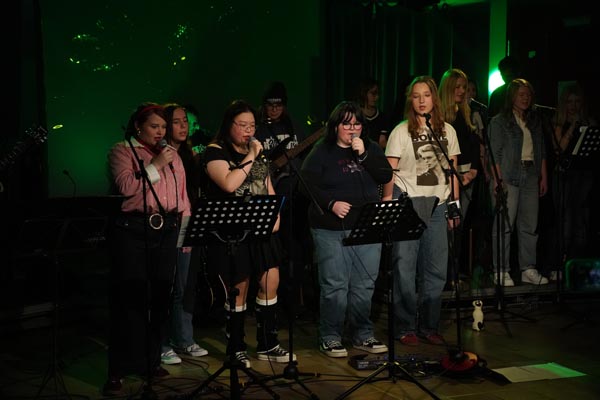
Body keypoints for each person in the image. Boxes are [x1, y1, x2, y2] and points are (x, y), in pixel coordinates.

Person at [103, 102, 191, 395]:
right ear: (138, 127)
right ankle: (117, 369)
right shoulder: (123, 151)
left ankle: (150, 362)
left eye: (164, 127)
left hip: (167, 231)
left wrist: (185, 236)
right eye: (154, 126)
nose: (160, 132)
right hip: (133, 231)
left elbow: (182, 198)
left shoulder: (173, 155)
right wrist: (156, 165)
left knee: (160, 299)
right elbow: (127, 187)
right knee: (129, 300)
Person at [203, 99, 294, 368]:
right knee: (239, 287)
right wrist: (252, 154)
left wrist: (275, 213)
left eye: (252, 126)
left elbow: (266, 184)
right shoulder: (215, 152)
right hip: (234, 231)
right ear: (228, 124)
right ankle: (236, 347)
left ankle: (268, 343)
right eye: (242, 125)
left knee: (270, 281)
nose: (248, 131)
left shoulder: (258, 154)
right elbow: (229, 184)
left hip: (261, 227)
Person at [300, 100, 392, 357]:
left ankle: (362, 334)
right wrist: (331, 203)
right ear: (335, 126)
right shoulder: (323, 150)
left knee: (364, 284)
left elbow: (385, 176)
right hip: (331, 227)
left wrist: (364, 156)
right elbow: (304, 184)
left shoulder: (370, 148)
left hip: (367, 226)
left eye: (357, 124)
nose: (352, 129)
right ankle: (330, 336)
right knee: (335, 286)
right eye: (346, 124)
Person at [382, 76, 460, 346]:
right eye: (416, 96)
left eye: (426, 95)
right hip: (409, 202)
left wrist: (454, 206)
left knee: (436, 268)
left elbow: (452, 170)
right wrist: (388, 202)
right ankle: (405, 326)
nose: (422, 100)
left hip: (438, 204)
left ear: (434, 98)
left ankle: (429, 326)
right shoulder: (401, 131)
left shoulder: (448, 131)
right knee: (405, 267)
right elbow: (389, 171)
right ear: (410, 100)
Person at [254, 81, 312, 319]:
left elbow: (308, 156)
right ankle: (271, 303)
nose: (275, 109)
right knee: (275, 252)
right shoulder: (258, 129)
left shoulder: (294, 126)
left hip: (296, 198)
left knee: (297, 249)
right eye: (270, 105)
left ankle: (295, 302)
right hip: (270, 198)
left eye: (279, 105)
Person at [159, 103, 209, 365]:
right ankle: (162, 342)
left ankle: (184, 338)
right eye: (177, 121)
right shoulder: (160, 155)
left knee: (185, 286)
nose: (183, 126)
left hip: (189, 221)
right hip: (166, 226)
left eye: (185, 122)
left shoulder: (189, 156)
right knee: (166, 286)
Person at [488, 78, 549, 287]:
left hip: (531, 174)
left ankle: (528, 269)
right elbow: (494, 154)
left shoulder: (534, 121)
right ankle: (501, 270)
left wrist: (543, 176)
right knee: (504, 225)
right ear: (512, 96)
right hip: (508, 175)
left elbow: (541, 151)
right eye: (521, 94)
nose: (525, 98)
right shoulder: (499, 121)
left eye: (528, 95)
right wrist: (498, 180)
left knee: (530, 224)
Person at [551, 83, 597, 277]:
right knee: (566, 221)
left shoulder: (590, 122)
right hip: (564, 176)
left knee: (582, 222)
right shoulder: (558, 123)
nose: (573, 106)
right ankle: (560, 264)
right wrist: (572, 127)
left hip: (584, 176)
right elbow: (558, 149)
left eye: (577, 102)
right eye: (570, 102)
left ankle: (577, 265)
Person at [355, 78, 390, 149]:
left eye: (378, 94)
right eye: (373, 93)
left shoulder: (382, 117)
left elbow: (382, 141)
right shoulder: (356, 115)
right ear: (364, 93)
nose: (377, 97)